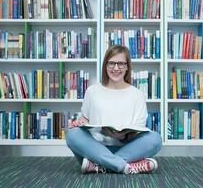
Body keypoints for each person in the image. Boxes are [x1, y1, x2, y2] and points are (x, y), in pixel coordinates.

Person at [66, 45, 162, 174]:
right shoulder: (92, 91)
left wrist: (123, 135)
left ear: (127, 66)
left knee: (155, 138)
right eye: (111, 63)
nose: (116, 68)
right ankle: (124, 166)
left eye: (121, 64)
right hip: (95, 149)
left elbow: (139, 129)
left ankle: (101, 166)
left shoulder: (137, 94)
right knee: (72, 134)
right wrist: (79, 123)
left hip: (128, 149)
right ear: (106, 65)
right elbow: (85, 119)